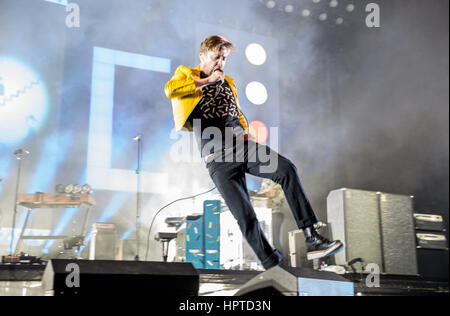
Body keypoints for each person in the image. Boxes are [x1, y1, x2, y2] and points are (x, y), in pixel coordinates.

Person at [165, 35, 343, 270]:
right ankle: (273, 266)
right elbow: (171, 90)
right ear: (202, 56)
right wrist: (207, 81)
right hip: (218, 160)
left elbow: (235, 111)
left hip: (243, 148)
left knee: (287, 170)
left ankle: (311, 238)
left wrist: (246, 134)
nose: (220, 62)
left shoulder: (229, 82)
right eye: (216, 56)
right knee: (245, 216)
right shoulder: (188, 74)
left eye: (224, 58)